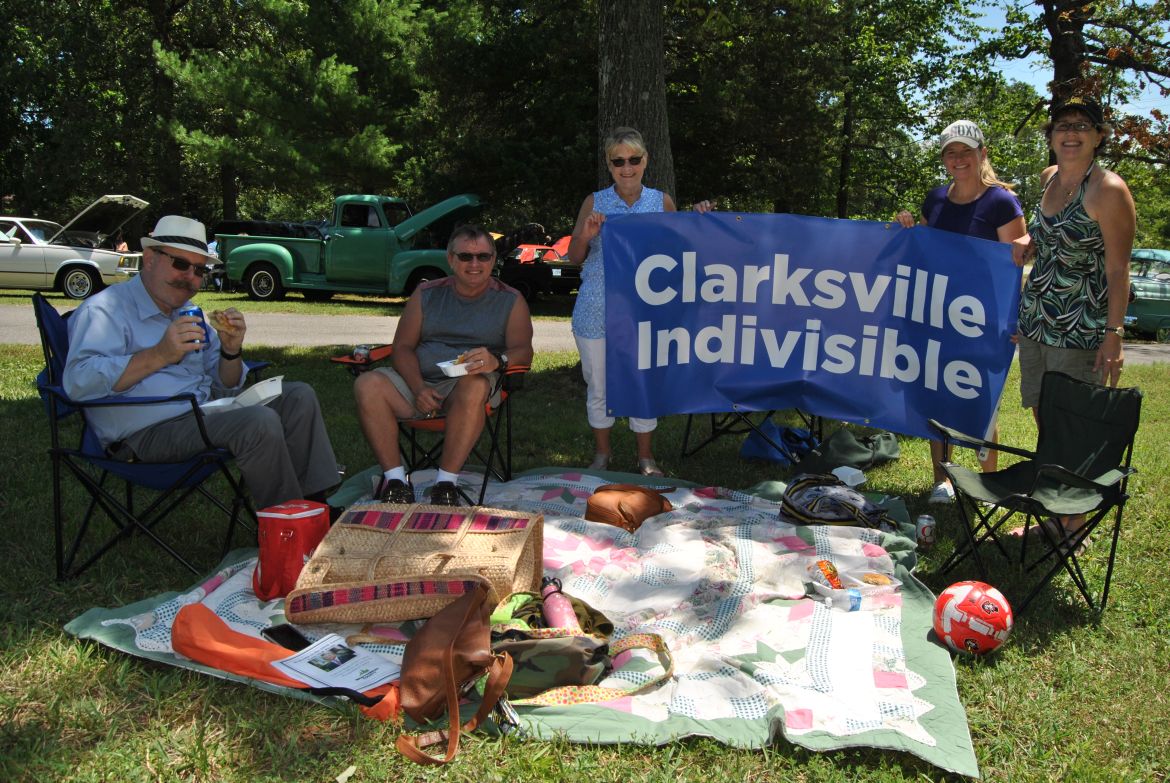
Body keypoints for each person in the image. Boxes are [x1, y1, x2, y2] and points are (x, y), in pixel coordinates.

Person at [63, 215, 342, 511]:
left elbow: (227, 384)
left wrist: (230, 350)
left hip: (203, 414)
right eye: (180, 264)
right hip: (144, 434)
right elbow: (77, 383)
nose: (190, 278)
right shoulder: (105, 311)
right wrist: (159, 354)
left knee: (298, 396)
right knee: (258, 422)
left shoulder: (187, 312)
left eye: (199, 270)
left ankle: (316, 507)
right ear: (150, 259)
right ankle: (289, 526)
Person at [1010, 95, 1135, 541]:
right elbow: (1048, 235)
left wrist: (1113, 335)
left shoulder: (1109, 190)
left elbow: (1118, 269)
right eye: (1063, 125)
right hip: (1036, 322)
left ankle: (1073, 524)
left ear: (1099, 136)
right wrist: (1028, 242)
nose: (1071, 133)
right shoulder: (1048, 178)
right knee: (1045, 418)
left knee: (1074, 425)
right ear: (1051, 136)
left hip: (1080, 329)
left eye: (1083, 125)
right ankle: (1055, 511)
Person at [567, 126, 713, 476]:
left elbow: (681, 251)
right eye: (618, 161)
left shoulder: (661, 202)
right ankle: (602, 455)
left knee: (642, 382)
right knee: (598, 386)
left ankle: (645, 457)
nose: (627, 167)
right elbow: (574, 257)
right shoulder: (594, 202)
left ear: (646, 160)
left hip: (647, 313)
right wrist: (586, 235)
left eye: (634, 159)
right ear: (609, 164)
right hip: (597, 311)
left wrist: (699, 221)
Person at [354, 224, 534, 506]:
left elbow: (524, 351)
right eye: (465, 256)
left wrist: (497, 360)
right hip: (418, 381)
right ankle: (396, 482)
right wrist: (418, 388)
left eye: (483, 256)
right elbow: (402, 347)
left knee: (474, 385)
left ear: (493, 259)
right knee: (367, 384)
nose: (474, 264)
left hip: (468, 388)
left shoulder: (510, 299)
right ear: (450, 259)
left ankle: (445, 485)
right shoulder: (426, 293)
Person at [896, 119, 1027, 504]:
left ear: (982, 153)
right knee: (937, 396)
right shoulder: (935, 200)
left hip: (983, 320)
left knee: (981, 401)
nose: (958, 159)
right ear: (943, 159)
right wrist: (906, 227)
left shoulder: (1001, 202)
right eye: (950, 152)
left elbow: (1013, 267)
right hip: (937, 314)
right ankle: (943, 480)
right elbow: (921, 252)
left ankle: (989, 485)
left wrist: (1014, 316)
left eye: (966, 151)